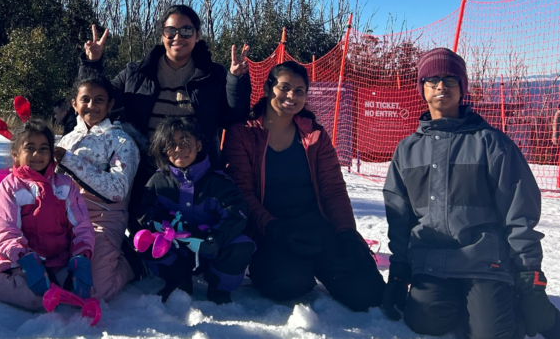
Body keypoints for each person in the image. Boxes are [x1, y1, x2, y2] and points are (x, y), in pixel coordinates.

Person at [383, 48, 560, 339]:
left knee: (493, 334)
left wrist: (530, 279)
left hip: (484, 262)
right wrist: (400, 270)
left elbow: (520, 213)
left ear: (462, 87)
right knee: (424, 321)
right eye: (433, 80)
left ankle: (510, 305)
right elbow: (399, 217)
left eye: (451, 80)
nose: (442, 87)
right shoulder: (407, 150)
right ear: (422, 88)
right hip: (431, 262)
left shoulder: (491, 144)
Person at [224, 61, 384, 312]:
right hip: (271, 230)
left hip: (316, 226)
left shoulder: (314, 135)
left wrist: (346, 235)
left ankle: (322, 261)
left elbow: (333, 189)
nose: (291, 96)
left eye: (299, 91)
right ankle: (295, 266)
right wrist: (275, 230)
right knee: (287, 285)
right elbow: (243, 194)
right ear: (267, 89)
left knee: (368, 292)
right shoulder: (242, 134)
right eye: (284, 87)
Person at [81, 4, 252, 228]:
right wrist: (93, 63)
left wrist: (235, 80)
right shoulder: (136, 73)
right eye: (170, 31)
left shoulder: (213, 75)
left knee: (196, 238)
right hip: (145, 174)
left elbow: (231, 117)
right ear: (162, 34)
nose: (177, 37)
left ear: (197, 35)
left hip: (198, 177)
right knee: (144, 239)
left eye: (186, 31)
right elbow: (99, 100)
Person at [0, 120, 96, 311]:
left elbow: (81, 226)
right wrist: (27, 260)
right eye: (30, 148)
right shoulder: (9, 189)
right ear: (16, 154)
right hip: (21, 262)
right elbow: (6, 231)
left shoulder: (65, 185)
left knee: (85, 288)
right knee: (35, 299)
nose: (37, 154)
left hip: (59, 260)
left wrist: (81, 256)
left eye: (44, 148)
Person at [138, 116, 254, 304]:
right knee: (145, 239)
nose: (178, 149)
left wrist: (215, 236)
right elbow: (146, 211)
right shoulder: (158, 181)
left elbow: (236, 215)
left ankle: (219, 287)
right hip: (177, 248)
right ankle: (178, 281)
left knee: (240, 245)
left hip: (210, 247)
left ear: (198, 145)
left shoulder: (218, 182)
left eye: (184, 141)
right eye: (171, 144)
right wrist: (162, 223)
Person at [55, 69, 143, 301]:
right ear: (74, 104)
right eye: (85, 99)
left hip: (103, 218)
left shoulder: (122, 140)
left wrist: (70, 161)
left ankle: (130, 262)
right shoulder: (67, 139)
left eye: (99, 100)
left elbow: (117, 191)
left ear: (110, 104)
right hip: (66, 217)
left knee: (93, 290)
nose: (91, 105)